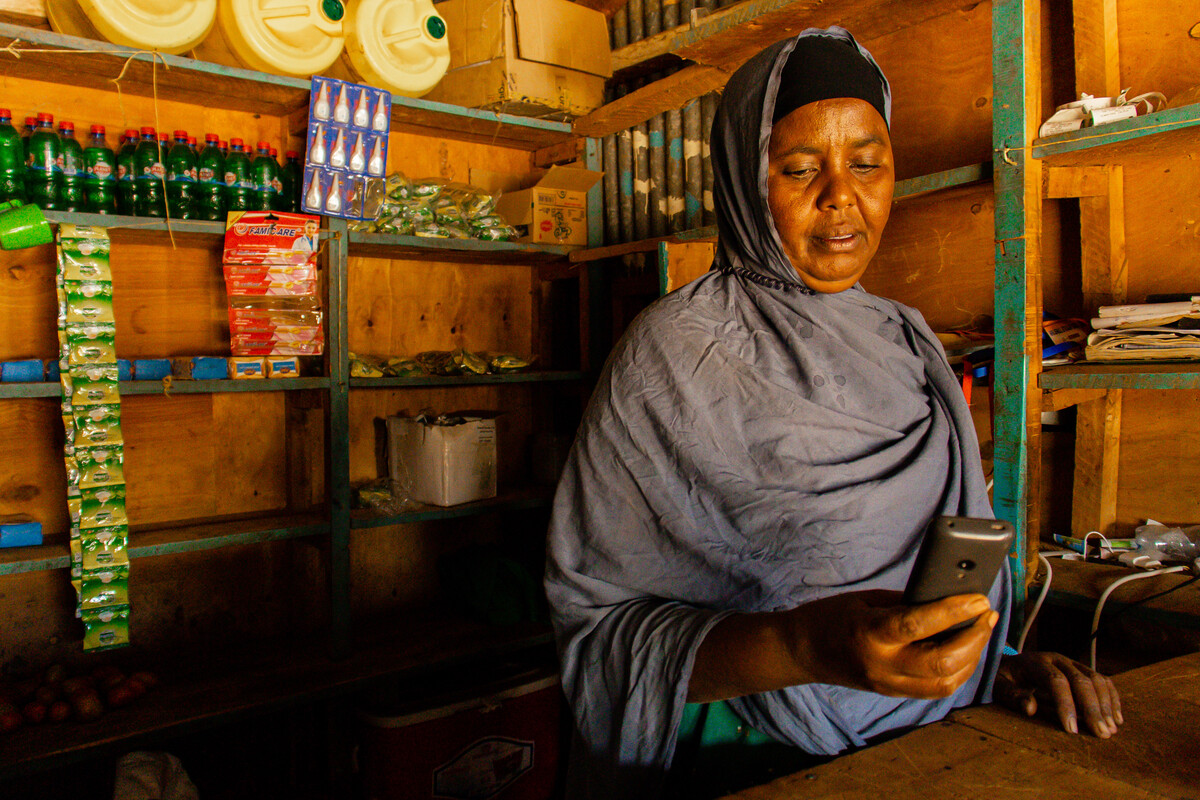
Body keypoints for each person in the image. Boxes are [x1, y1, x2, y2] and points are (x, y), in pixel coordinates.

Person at [544, 27, 1122, 800]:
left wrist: (996, 665)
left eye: (867, 163)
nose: (840, 197)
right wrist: (805, 647)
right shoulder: (674, 354)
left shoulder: (907, 339)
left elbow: (930, 578)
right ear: (748, 183)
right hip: (758, 757)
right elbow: (601, 640)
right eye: (798, 168)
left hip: (947, 742)